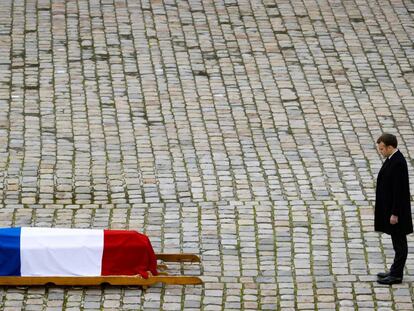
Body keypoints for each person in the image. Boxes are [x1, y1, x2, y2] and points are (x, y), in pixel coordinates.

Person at [375, 133, 413, 285]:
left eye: (382, 149)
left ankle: (396, 275)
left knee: (400, 244)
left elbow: (399, 191)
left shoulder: (398, 163)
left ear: (390, 147)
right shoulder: (392, 159)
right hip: (392, 210)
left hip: (397, 212)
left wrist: (395, 213)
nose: (381, 151)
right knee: (397, 242)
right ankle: (394, 270)